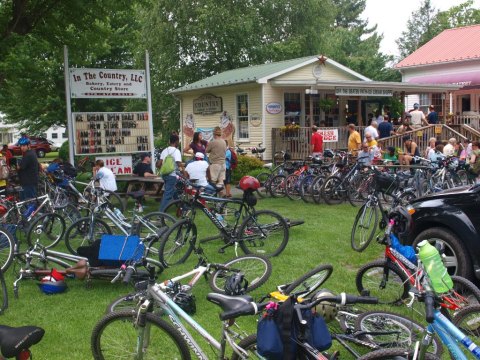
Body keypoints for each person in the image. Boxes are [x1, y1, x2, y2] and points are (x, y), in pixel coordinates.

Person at [158, 134, 182, 212]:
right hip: (172, 175)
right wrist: (183, 172)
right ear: (176, 141)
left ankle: (182, 208)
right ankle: (160, 214)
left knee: (173, 190)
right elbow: (178, 163)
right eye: (178, 141)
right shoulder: (176, 151)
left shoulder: (165, 150)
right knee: (167, 195)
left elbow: (159, 163)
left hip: (164, 174)